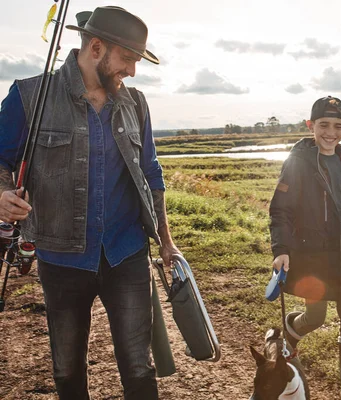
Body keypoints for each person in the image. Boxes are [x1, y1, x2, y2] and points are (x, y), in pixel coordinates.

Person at [0, 6, 179, 400]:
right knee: (67, 372)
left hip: (127, 253)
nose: (132, 71)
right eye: (128, 59)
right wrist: (2, 194)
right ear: (96, 47)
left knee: (139, 368)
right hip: (61, 258)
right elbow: (1, 159)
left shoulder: (137, 104)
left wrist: (166, 240)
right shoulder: (29, 96)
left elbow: (151, 173)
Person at [269, 96, 341, 399]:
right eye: (323, 125)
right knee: (317, 317)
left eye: (337, 126)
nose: (330, 132)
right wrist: (281, 248)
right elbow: (279, 210)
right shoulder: (297, 162)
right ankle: (291, 329)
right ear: (311, 126)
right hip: (311, 251)